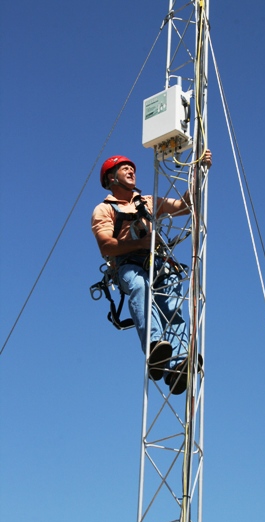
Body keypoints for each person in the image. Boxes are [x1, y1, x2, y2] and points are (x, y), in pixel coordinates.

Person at [91, 151, 212, 394]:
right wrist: (139, 244)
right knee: (139, 288)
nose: (131, 171)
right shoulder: (104, 210)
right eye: (124, 169)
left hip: (156, 262)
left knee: (171, 308)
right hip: (128, 264)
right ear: (111, 179)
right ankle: (155, 346)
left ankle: (178, 364)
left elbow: (185, 206)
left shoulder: (146, 202)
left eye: (132, 168)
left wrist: (198, 170)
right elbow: (106, 245)